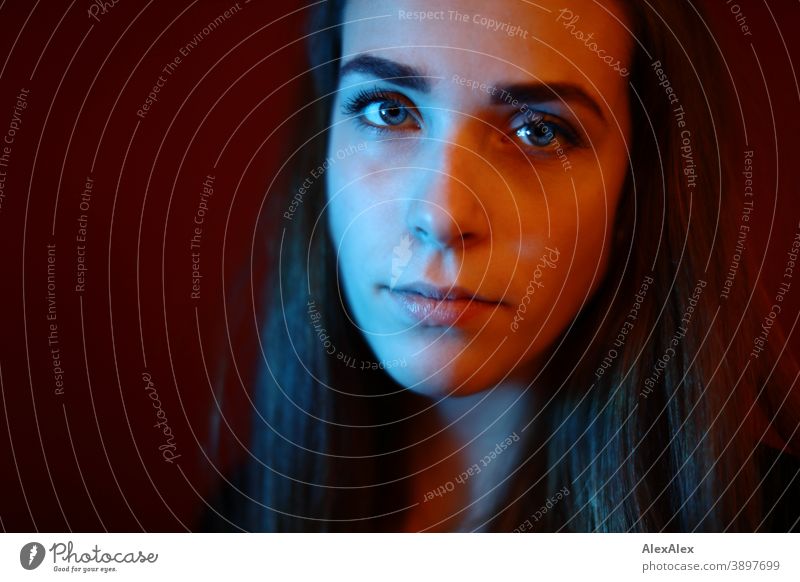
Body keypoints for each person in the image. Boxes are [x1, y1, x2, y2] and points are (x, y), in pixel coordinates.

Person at [204, 0, 800, 532]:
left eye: (538, 132)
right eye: (388, 110)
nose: (439, 215)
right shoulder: (237, 524)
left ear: (639, 184)